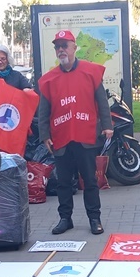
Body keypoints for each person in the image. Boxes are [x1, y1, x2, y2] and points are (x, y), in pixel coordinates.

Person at [37, 30, 114, 235]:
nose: (61, 49)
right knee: (63, 183)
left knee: (90, 181)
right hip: (61, 138)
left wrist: (107, 125)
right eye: (57, 46)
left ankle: (94, 218)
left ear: (74, 47)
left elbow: (102, 101)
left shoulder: (91, 72)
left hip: (86, 136)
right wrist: (44, 135)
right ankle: (65, 218)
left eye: (65, 45)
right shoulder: (49, 80)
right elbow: (43, 110)